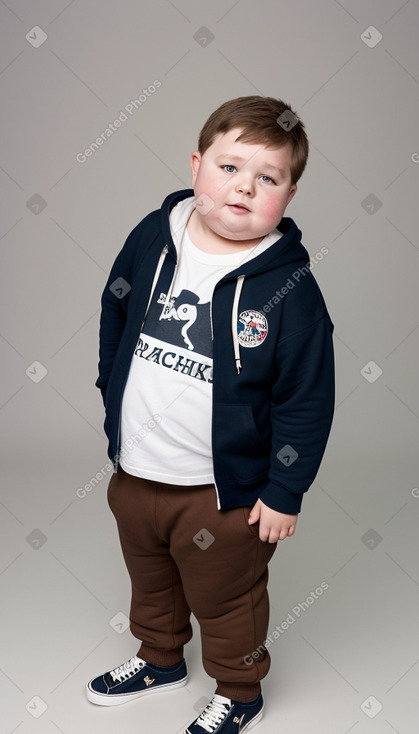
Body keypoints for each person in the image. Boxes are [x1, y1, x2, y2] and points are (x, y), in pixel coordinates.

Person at [86, 95, 335, 733]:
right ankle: (160, 658)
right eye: (229, 168)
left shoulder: (289, 289)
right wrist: (111, 388)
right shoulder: (155, 234)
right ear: (196, 166)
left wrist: (285, 490)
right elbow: (116, 305)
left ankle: (240, 689)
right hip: (139, 471)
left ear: (290, 193)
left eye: (268, 178)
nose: (244, 187)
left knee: (228, 599)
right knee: (152, 579)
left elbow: (306, 396)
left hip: (221, 493)